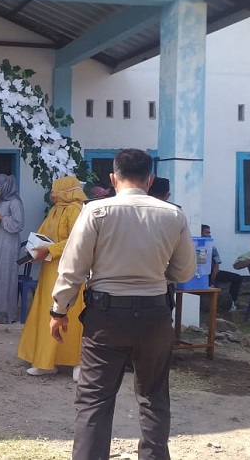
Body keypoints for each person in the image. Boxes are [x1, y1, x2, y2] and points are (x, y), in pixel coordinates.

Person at [50, 149, 196, 460]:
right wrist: (158, 275)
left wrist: (58, 310)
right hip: (155, 316)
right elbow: (184, 271)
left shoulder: (96, 212)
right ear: (150, 179)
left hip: (106, 318)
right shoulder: (173, 214)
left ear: (113, 178)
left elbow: (73, 268)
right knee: (154, 397)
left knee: (94, 401)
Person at [17, 176, 86, 381]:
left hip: (69, 268)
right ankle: (46, 361)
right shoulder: (55, 210)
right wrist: (32, 251)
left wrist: (50, 250)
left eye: (56, 190)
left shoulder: (75, 210)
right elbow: (41, 234)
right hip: (50, 268)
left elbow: (77, 241)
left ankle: (78, 362)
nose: (53, 194)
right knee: (48, 311)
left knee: (71, 313)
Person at [0, 174, 25, 324]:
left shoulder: (14, 202)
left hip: (8, 243)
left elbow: (19, 224)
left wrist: (1, 218)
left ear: (4, 187)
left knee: (5, 276)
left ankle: (7, 313)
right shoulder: (0, 201)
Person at [201, 224, 244, 308]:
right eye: (206, 233)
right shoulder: (194, 247)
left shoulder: (212, 248)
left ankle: (232, 303)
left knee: (237, 278)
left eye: (209, 232)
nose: (209, 235)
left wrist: (213, 278)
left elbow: (217, 264)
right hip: (199, 274)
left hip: (212, 273)